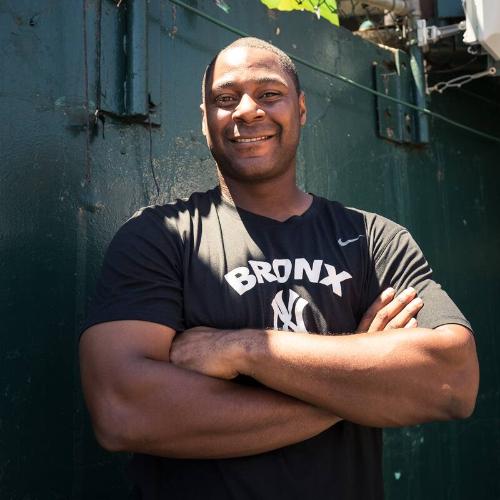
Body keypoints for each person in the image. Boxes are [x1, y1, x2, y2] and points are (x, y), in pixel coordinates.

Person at [79, 37, 479, 499]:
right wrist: (361, 388)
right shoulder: (161, 237)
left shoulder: (374, 240)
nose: (248, 110)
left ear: (301, 109)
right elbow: (122, 410)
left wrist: (244, 349)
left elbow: (452, 381)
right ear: (206, 122)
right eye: (225, 99)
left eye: (269, 94)